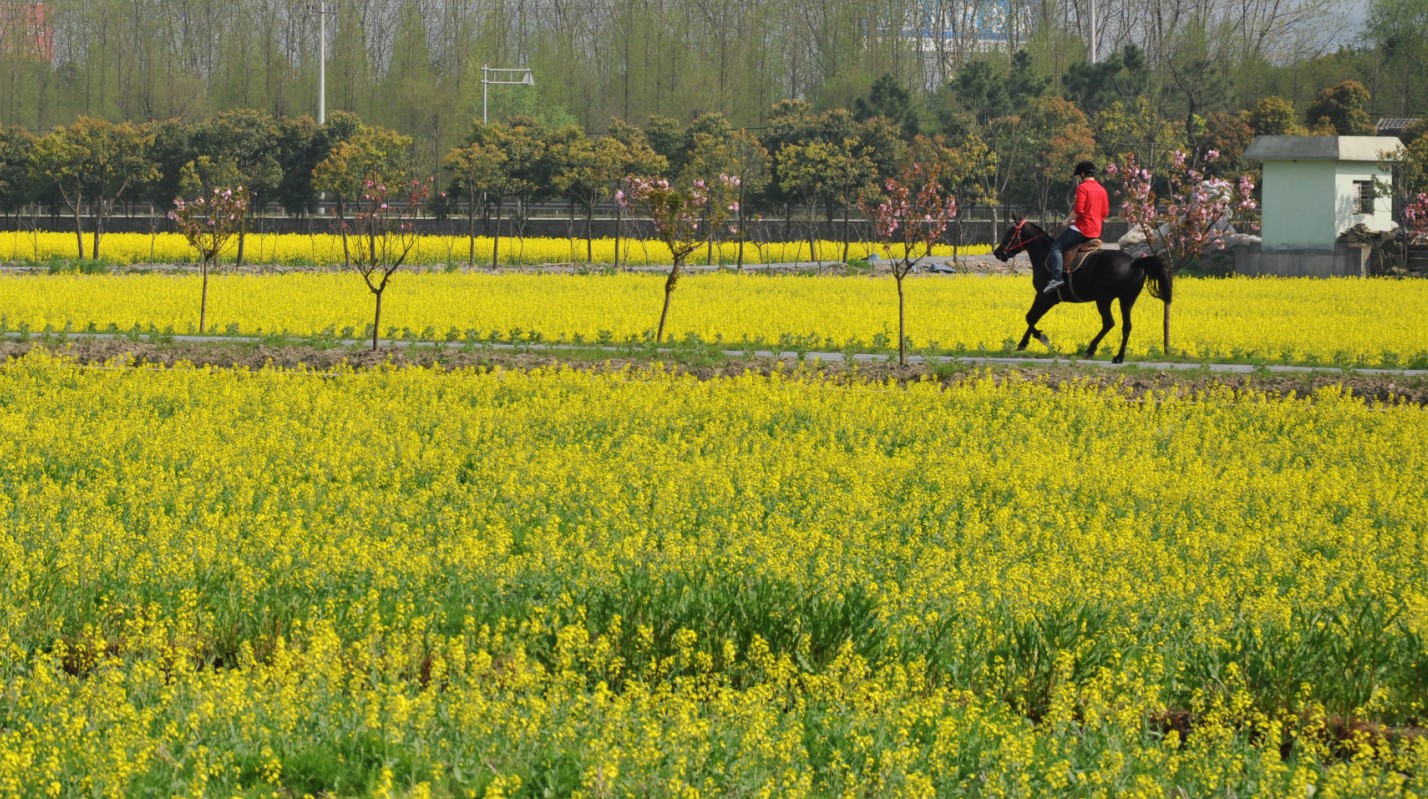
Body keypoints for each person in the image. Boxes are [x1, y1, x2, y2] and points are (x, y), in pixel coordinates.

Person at [1043, 160, 1109, 294]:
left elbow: (1079, 209)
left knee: (1055, 247)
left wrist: (1067, 221)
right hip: (1097, 230)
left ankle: (1056, 278)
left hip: (1083, 228)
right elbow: (1105, 213)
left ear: (1083, 174)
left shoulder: (1083, 187)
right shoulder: (1102, 189)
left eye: (1079, 176)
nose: (1079, 178)